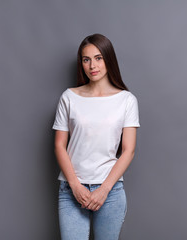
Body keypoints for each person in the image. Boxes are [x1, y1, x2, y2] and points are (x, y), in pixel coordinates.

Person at [52, 33, 140, 240]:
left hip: (110, 191)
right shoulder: (69, 97)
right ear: (81, 63)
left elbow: (129, 150)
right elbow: (59, 145)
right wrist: (75, 185)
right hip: (71, 189)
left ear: (109, 59)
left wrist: (104, 189)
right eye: (86, 59)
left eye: (98, 58)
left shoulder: (126, 100)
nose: (93, 65)